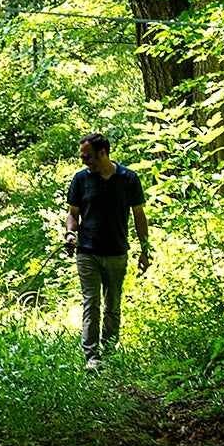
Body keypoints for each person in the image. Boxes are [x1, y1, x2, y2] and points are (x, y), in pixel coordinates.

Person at [63, 132, 148, 370]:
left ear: (102, 153)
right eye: (81, 156)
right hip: (87, 252)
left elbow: (139, 216)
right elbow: (73, 214)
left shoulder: (128, 178)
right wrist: (70, 233)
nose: (84, 161)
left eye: (87, 156)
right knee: (91, 303)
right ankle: (91, 356)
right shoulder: (81, 180)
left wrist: (145, 250)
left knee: (112, 304)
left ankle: (109, 351)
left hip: (117, 252)